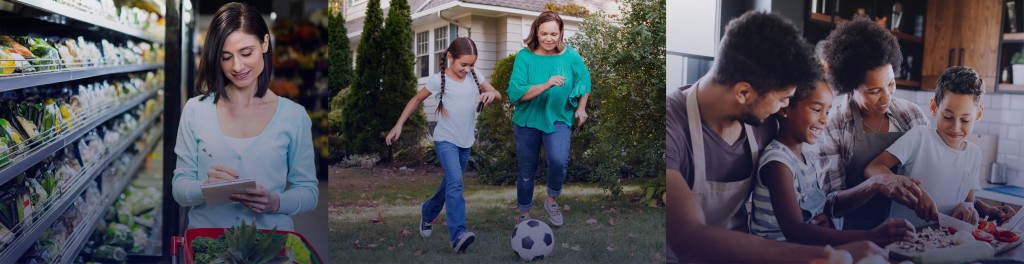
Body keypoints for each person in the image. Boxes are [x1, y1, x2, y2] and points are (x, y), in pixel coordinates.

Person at [666, 10, 885, 262]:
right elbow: (687, 238)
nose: (782, 109)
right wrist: (828, 254)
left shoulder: (764, 121)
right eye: (782, 100)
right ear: (743, 93)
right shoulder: (671, 127)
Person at [171, 2, 319, 231]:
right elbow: (180, 189)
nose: (237, 66)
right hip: (208, 246)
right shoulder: (195, 110)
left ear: (265, 43)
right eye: (226, 57)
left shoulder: (294, 116)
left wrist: (276, 202)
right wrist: (205, 187)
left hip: (271, 246)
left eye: (246, 53)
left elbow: (309, 191)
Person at [751, 80, 914, 247]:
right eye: (816, 110)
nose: (824, 120)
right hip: (776, 254)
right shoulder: (778, 163)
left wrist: (875, 184)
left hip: (803, 250)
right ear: (785, 108)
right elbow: (795, 231)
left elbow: (824, 209)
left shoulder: (805, 154)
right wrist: (870, 236)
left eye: (827, 112)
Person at [385, 37, 502, 253]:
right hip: (445, 139)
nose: (467, 69)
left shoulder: (475, 76)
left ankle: (428, 211)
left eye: (471, 65)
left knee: (450, 182)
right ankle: (458, 235)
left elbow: (498, 95)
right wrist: (398, 125)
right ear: (450, 57)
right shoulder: (438, 79)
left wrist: (490, 94)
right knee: (456, 183)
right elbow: (416, 100)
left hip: (466, 141)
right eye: (463, 64)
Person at [817, 16, 932, 231]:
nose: (886, 97)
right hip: (857, 234)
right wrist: (876, 184)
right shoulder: (834, 125)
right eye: (874, 91)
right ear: (850, 87)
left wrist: (973, 204)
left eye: (890, 84)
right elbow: (832, 204)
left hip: (913, 231)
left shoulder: (910, 115)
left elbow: (937, 168)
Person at [864, 66, 1017, 228]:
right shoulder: (919, 137)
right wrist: (912, 189)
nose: (955, 127)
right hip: (904, 238)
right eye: (948, 116)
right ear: (934, 107)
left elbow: (967, 201)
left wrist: (968, 208)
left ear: (978, 115)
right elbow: (873, 168)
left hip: (947, 242)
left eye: (965, 120)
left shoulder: (974, 154)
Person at [508, 11, 591, 226]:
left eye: (554, 34)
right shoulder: (524, 57)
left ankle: (551, 199)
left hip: (559, 117)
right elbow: (516, 93)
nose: (548, 38)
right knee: (527, 170)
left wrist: (581, 108)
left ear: (560, 33)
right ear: (536, 31)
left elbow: (584, 81)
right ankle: (524, 213)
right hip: (527, 121)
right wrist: (547, 83)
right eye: (544, 33)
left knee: (558, 162)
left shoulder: (570, 55)